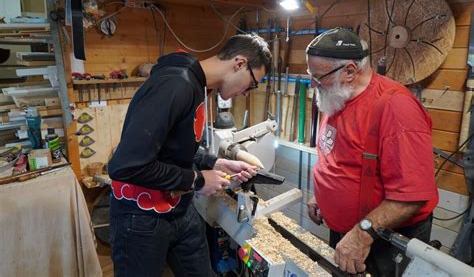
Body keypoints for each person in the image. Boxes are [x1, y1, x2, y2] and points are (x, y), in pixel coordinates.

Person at [108, 34, 272, 277]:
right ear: (239, 63)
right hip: (140, 217)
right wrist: (197, 180)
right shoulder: (175, 84)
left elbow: (171, 153)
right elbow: (126, 166)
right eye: (252, 83)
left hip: (178, 209)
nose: (247, 92)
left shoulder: (198, 87)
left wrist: (215, 162)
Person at [305, 28, 439, 276]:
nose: (313, 84)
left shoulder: (396, 108)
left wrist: (361, 235)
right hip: (351, 232)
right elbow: (340, 155)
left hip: (380, 240)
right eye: (310, 75)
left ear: (349, 71)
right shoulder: (337, 95)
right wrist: (323, 197)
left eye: (318, 77)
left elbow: (411, 196)